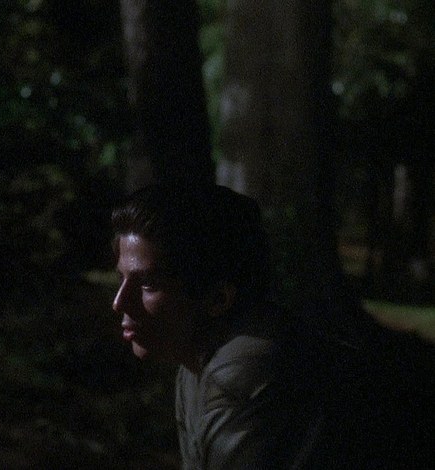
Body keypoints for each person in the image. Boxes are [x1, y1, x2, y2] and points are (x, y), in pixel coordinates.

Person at [110, 184, 435, 469]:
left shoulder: (243, 376)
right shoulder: (194, 365)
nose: (119, 302)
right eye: (122, 279)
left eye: (148, 284)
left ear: (218, 299)